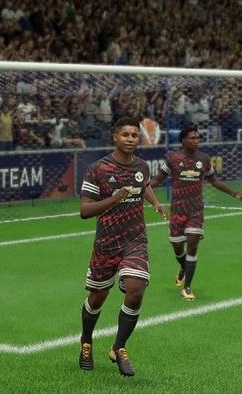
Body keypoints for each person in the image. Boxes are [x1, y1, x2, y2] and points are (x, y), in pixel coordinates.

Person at [77, 117, 167, 377]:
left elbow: (143, 184)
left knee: (136, 290)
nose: (130, 139)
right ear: (114, 137)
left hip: (135, 239)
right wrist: (114, 199)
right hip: (106, 243)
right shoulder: (98, 169)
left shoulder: (141, 166)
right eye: (125, 134)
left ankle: (118, 347)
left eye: (134, 135)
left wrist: (154, 202)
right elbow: (85, 210)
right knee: (97, 297)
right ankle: (86, 341)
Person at [148, 125, 242, 301]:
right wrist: (143, 187)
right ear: (183, 140)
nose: (196, 141)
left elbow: (213, 180)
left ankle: (187, 287)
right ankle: (183, 266)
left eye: (197, 138)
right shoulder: (173, 158)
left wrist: (234, 193)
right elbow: (158, 179)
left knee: (192, 246)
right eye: (192, 138)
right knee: (178, 247)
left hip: (195, 210)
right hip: (178, 210)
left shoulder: (204, 159)